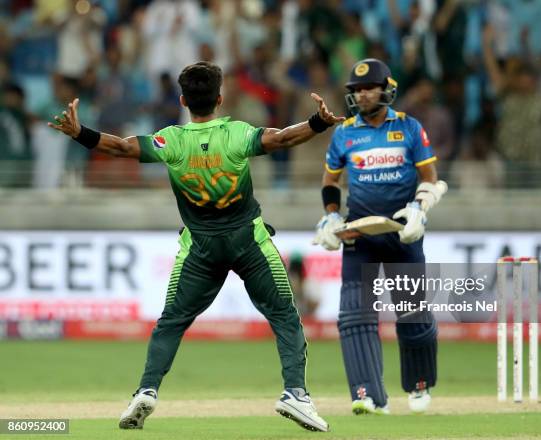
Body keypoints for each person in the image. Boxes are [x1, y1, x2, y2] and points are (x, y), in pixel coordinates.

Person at [48, 61, 344, 432]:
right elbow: (283, 138)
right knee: (284, 316)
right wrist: (317, 123)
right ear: (220, 98)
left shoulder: (171, 140)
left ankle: (147, 390)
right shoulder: (237, 134)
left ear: (183, 99)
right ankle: (296, 394)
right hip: (247, 241)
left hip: (200, 247)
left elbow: (122, 148)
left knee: (171, 321)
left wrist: (80, 133)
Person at [313, 58, 447, 415]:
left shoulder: (407, 128)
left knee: (412, 313)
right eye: (356, 89)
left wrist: (420, 208)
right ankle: (367, 394)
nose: (362, 94)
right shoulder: (344, 133)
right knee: (355, 316)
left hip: (402, 233)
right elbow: (330, 183)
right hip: (360, 236)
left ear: (387, 88)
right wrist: (330, 218)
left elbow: (430, 177)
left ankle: (419, 385)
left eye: (368, 87)